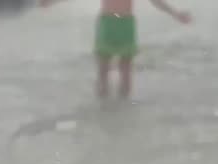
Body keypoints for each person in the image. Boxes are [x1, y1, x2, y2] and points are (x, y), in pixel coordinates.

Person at [39, 0, 192, 100]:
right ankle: (103, 111)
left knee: (125, 72)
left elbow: (155, 1)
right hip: (107, 23)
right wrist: (50, 2)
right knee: (103, 71)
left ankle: (123, 114)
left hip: (125, 24)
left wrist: (176, 14)